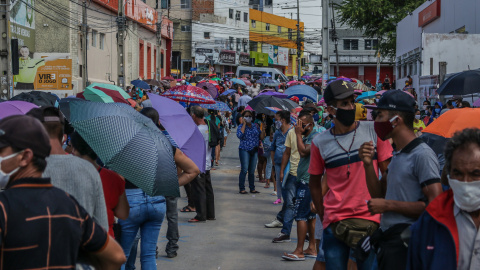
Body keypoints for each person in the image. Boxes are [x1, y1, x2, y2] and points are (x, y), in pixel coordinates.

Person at [0, 115, 126, 269]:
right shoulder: (69, 205)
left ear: (25, 156)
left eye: (1, 151)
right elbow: (116, 256)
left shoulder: (4, 207)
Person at [308, 80, 393, 269]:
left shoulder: (373, 131)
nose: (350, 107)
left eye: (351, 102)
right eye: (344, 104)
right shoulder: (319, 142)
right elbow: (314, 182)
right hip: (335, 223)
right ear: (330, 110)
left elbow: (388, 173)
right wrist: (324, 216)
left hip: (370, 222)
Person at [359, 90, 443, 270]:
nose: (375, 121)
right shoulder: (398, 154)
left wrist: (389, 206)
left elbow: (436, 206)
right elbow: (379, 195)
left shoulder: (422, 155)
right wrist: (367, 165)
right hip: (388, 242)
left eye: (379, 115)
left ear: (395, 120)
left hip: (407, 246)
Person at [408, 128, 480, 270]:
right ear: (448, 174)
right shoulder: (429, 223)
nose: (465, 181)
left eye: (475, 173)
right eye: (457, 173)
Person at [27, 107, 109, 231]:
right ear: (64, 137)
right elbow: (102, 226)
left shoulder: (26, 171)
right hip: (82, 247)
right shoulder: (89, 169)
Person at [138, 107, 199, 259]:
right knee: (171, 217)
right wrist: (175, 181)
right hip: (167, 183)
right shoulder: (168, 140)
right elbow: (192, 170)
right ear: (158, 121)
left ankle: (153, 248)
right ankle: (172, 247)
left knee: (149, 219)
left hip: (147, 186)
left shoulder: (137, 142)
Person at [70, 131, 129, 239]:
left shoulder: (67, 176)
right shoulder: (114, 178)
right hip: (106, 242)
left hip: (77, 241)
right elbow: (123, 214)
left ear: (76, 150)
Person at [282, 111, 318, 260]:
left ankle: (299, 251)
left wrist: (297, 134)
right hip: (304, 180)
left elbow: (303, 152)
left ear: (309, 125)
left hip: (307, 182)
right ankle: (311, 248)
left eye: (301, 124)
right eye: (297, 124)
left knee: (301, 216)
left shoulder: (315, 137)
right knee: (310, 217)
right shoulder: (309, 136)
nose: (298, 127)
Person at [273, 108, 302, 243]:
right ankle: (286, 232)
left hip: (307, 176)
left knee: (304, 206)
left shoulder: (315, 134)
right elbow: (287, 152)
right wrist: (281, 171)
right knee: (290, 203)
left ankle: (307, 234)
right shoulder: (291, 133)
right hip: (292, 173)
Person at [265, 110, 292, 225]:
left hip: (289, 164)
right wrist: (273, 162)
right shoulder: (277, 132)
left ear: (283, 120)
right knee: (280, 184)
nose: (275, 122)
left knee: (287, 187)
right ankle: (282, 204)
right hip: (277, 161)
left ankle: (284, 216)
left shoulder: (292, 132)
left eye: (277, 119)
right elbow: (273, 148)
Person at [189, 106, 215, 222]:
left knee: (199, 190)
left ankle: (201, 215)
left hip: (198, 163)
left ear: (194, 115)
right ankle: (210, 214)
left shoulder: (197, 130)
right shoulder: (208, 127)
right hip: (207, 162)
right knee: (208, 189)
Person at [237, 110, 265, 194]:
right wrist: (244, 124)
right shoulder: (241, 126)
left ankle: (252, 188)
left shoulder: (255, 126)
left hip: (254, 149)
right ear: (243, 118)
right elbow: (239, 135)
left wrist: (263, 130)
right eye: (246, 116)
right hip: (244, 149)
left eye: (249, 116)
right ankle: (242, 188)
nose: (248, 117)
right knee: (244, 169)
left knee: (252, 170)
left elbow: (261, 137)